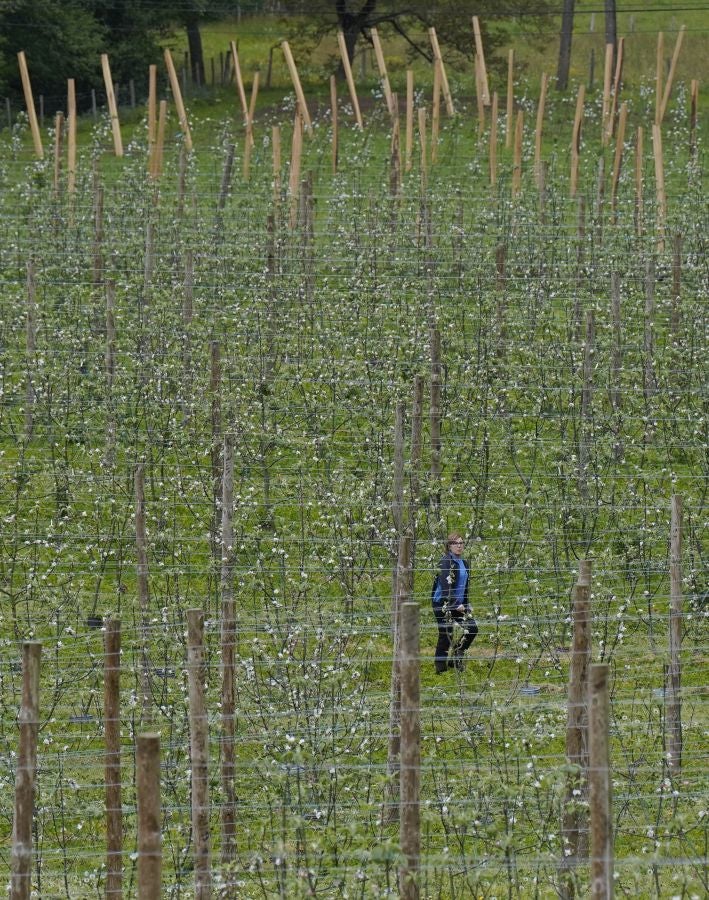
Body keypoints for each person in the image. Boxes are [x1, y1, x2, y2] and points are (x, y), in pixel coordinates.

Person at [431, 533, 478, 673]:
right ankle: (440, 668)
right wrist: (455, 604)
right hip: (442, 603)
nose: (459, 545)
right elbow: (446, 587)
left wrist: (466, 603)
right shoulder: (445, 561)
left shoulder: (464, 563)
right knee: (446, 634)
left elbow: (464, 587)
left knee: (472, 629)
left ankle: (457, 656)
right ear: (449, 546)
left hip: (459, 604)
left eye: (461, 543)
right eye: (455, 543)